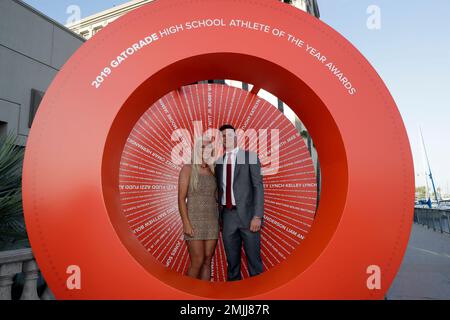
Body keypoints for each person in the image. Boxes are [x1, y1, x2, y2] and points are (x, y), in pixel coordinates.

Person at [215, 124, 264, 281]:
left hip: (249, 217)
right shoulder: (219, 162)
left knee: (254, 262)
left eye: (229, 135)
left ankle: (258, 295)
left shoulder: (248, 157)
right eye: (223, 136)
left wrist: (257, 216)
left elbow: (258, 187)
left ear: (236, 137)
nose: (226, 138)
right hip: (228, 216)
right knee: (232, 262)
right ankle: (233, 295)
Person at [178, 136, 219, 281]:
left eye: (208, 147)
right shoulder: (188, 169)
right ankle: (187, 297)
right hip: (194, 221)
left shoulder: (214, 170)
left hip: (212, 221)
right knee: (197, 261)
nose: (205, 149)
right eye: (202, 147)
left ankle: (204, 296)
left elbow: (218, 197)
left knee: (208, 260)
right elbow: (181, 199)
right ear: (196, 150)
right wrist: (186, 223)